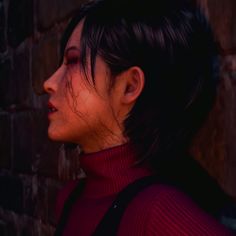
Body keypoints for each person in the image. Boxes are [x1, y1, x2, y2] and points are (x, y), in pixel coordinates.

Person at [43, 0, 235, 235]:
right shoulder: (70, 199)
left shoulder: (155, 211)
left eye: (73, 61)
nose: (49, 83)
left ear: (130, 86)